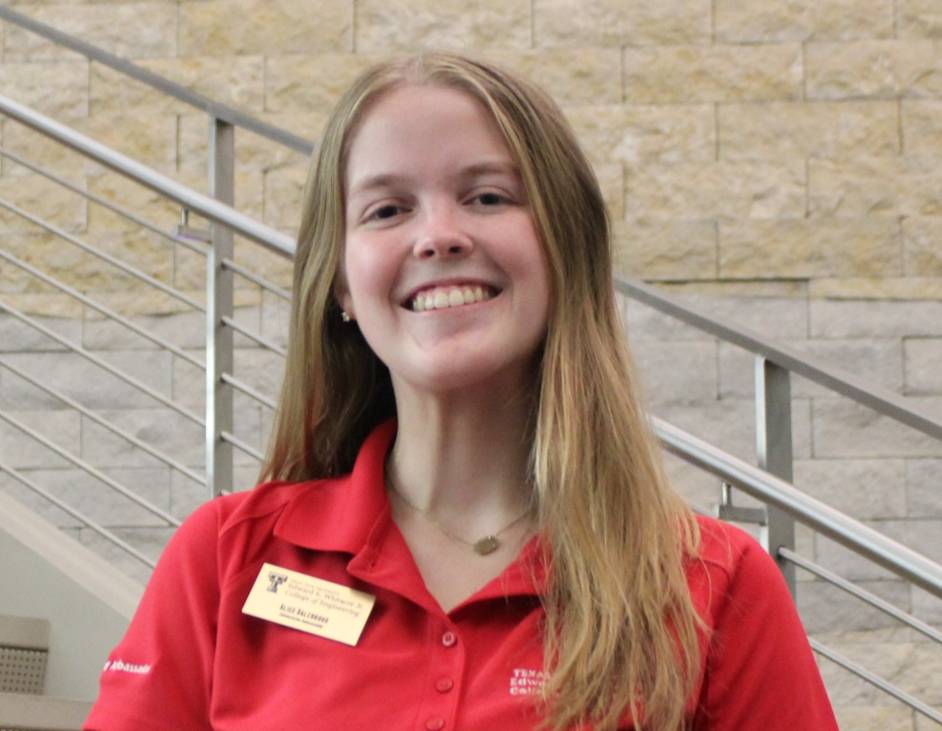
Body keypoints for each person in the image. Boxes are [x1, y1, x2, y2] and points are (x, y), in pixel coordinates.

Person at [84, 53, 838, 730]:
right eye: (387, 209)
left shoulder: (713, 586)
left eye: (486, 197)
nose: (438, 235)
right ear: (341, 282)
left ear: (566, 247)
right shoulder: (223, 561)